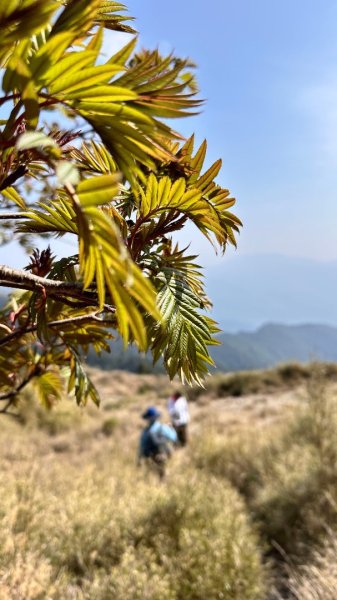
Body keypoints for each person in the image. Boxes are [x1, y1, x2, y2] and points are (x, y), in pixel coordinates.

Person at [138, 406, 177, 479]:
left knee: (151, 476)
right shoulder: (163, 428)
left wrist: (139, 459)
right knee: (163, 475)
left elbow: (141, 447)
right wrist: (172, 428)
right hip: (163, 455)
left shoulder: (146, 432)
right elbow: (174, 437)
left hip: (149, 457)